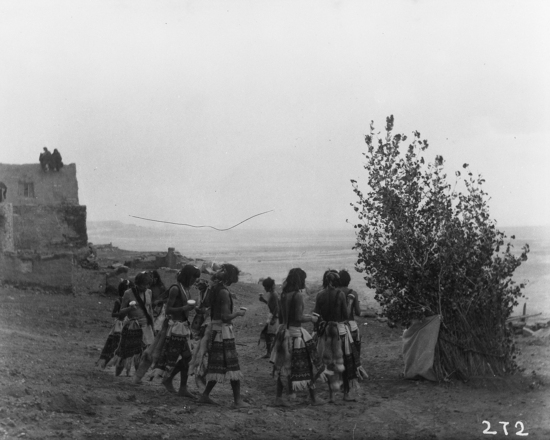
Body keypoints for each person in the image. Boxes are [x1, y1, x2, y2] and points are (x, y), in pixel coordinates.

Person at [192, 263, 248, 408]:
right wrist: (238, 313)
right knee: (232, 365)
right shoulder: (223, 292)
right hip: (223, 332)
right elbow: (225, 317)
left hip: (215, 330)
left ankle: (205, 395)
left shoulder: (215, 289)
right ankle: (237, 401)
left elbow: (207, 306)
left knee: (217, 366)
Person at [271, 268, 326, 407]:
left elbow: (285, 317)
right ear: (299, 280)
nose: (305, 282)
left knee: (283, 366)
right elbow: (298, 317)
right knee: (308, 364)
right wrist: (312, 319)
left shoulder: (283, 294)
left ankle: (278, 397)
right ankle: (313, 398)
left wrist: (307, 317)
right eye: (304, 279)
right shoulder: (298, 296)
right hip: (296, 335)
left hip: (284, 332)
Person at [314, 269, 365, 404]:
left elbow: (316, 315)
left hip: (325, 332)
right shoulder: (341, 295)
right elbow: (345, 315)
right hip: (340, 331)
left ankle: (331, 396)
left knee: (329, 363)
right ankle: (346, 394)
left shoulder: (320, 295)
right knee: (346, 362)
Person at [152, 264, 200, 398]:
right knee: (186, 357)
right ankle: (174, 383)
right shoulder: (175, 289)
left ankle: (178, 385)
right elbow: (168, 310)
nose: (194, 281)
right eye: (193, 278)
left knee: (187, 358)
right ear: (187, 276)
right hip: (176, 328)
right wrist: (184, 308)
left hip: (182, 327)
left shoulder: (184, 288)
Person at [114, 271, 155, 376]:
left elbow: (149, 310)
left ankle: (137, 377)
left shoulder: (149, 292)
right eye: (143, 285)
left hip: (146, 326)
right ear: (137, 283)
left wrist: (153, 326)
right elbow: (121, 313)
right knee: (125, 353)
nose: (145, 287)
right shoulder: (128, 293)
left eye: (147, 285)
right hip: (132, 327)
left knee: (143, 353)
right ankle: (117, 374)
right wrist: (130, 308)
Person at [96, 279, 134, 369]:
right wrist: (121, 314)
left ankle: (119, 364)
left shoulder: (131, 302)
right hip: (119, 325)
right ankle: (107, 362)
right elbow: (113, 314)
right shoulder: (119, 301)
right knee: (114, 344)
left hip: (127, 324)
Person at [338, 269, 365, 360]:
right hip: (351, 326)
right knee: (355, 353)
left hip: (338, 326)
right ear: (348, 281)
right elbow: (358, 312)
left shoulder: (335, 292)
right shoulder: (353, 293)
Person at [258, 277, 280, 358]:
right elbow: (273, 305)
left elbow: (277, 307)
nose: (264, 288)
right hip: (273, 315)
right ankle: (270, 352)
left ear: (269, 287)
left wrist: (274, 318)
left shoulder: (273, 294)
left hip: (274, 316)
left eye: (265, 287)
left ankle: (269, 353)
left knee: (269, 334)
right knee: (269, 334)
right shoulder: (273, 294)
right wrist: (263, 300)